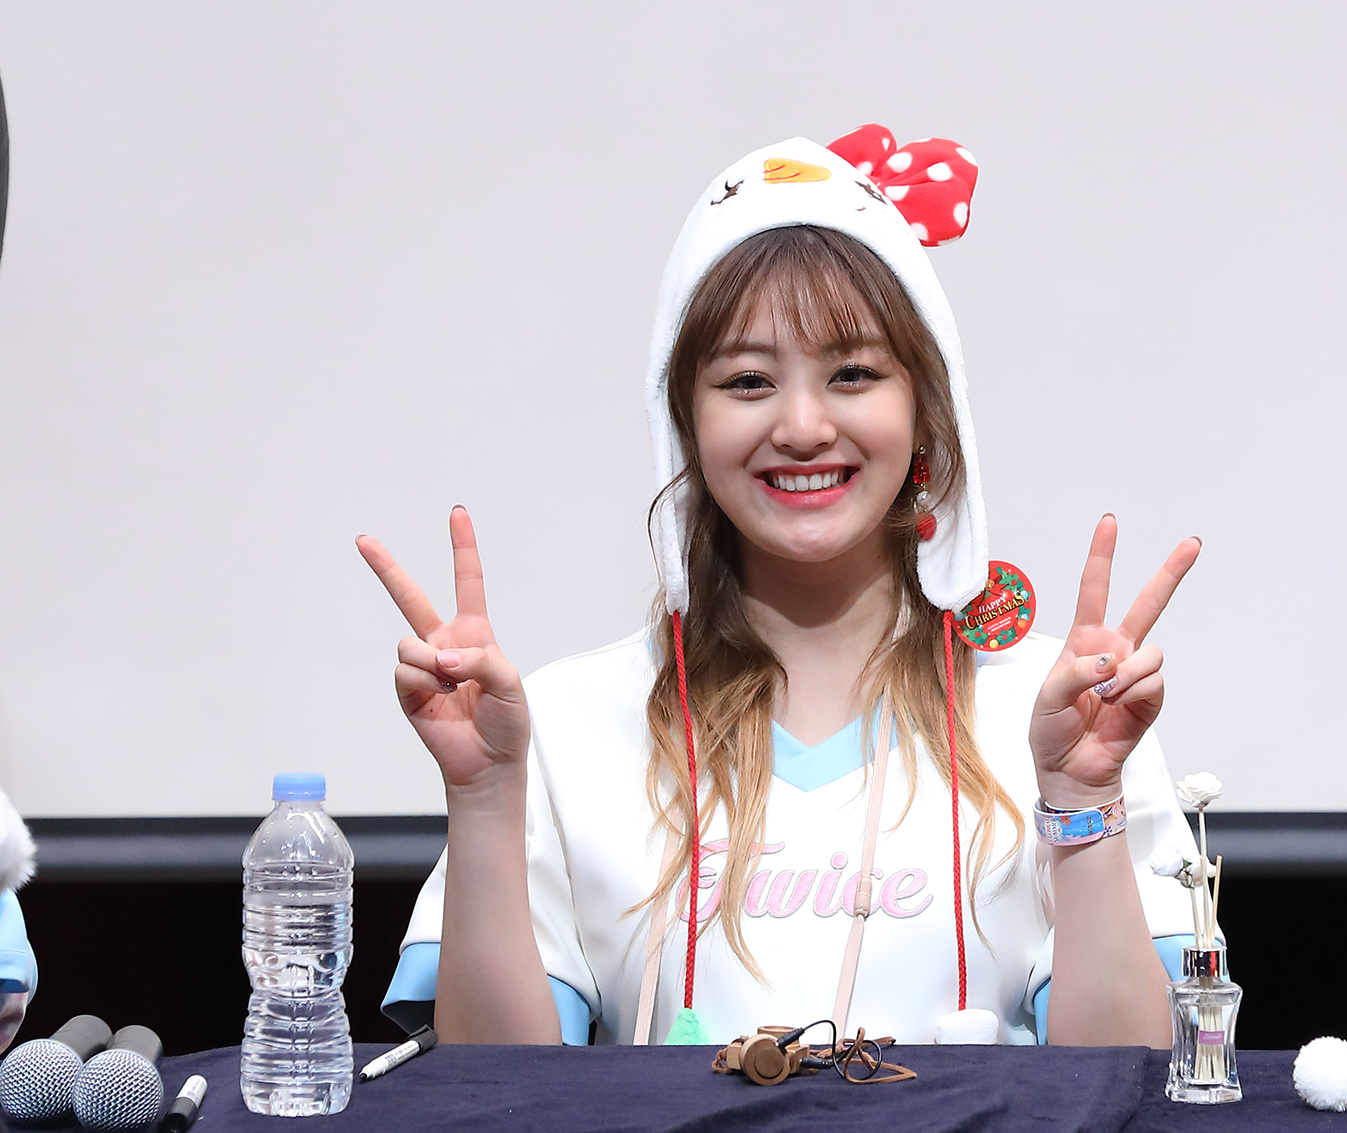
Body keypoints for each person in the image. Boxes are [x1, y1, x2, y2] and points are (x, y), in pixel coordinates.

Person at [361, 126, 1204, 1048]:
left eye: (853, 373)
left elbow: (1132, 1078)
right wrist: (487, 797)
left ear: (928, 410)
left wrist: (1080, 802)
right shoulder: (560, 723)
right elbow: (498, 1093)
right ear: (683, 424)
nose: (803, 426)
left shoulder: (1063, 712)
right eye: (749, 379)